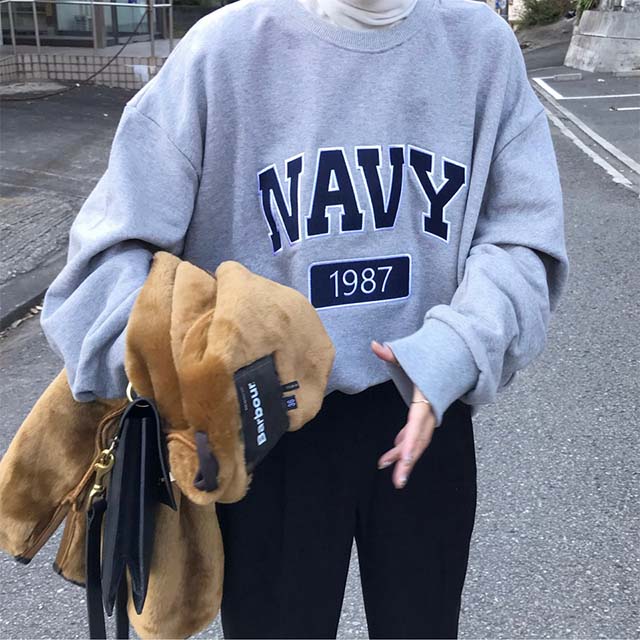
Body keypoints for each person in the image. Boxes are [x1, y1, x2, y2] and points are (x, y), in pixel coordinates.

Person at [39, 0, 569, 637]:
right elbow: (106, 259)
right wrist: (183, 373)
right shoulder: (223, 50)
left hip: (427, 404)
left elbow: (522, 240)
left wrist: (456, 351)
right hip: (265, 426)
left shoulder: (481, 46)